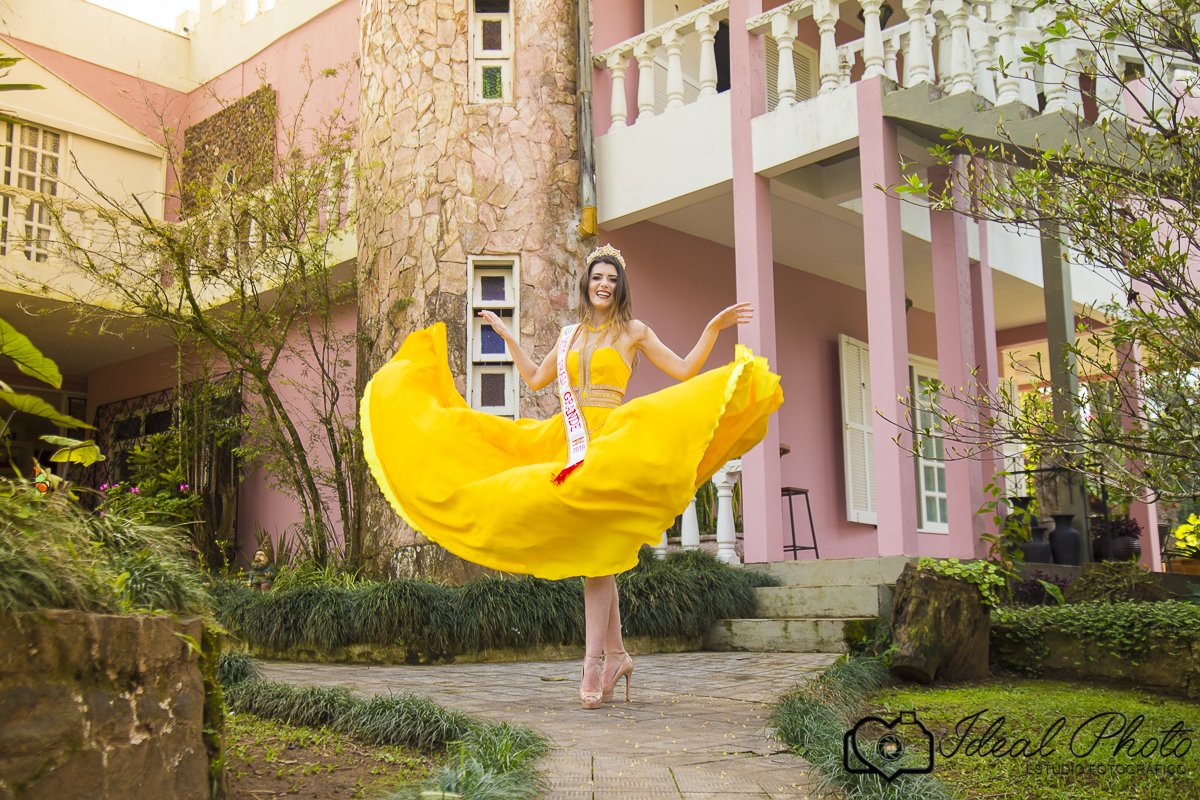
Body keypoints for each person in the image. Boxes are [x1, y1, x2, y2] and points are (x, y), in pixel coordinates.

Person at [360, 244, 783, 709]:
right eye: (597, 277)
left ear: (620, 288)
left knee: (595, 553)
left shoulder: (634, 332)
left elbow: (684, 370)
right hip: (566, 443)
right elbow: (535, 378)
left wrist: (711, 329)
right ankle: (616, 656)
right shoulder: (568, 335)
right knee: (594, 549)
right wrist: (508, 337)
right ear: (587, 283)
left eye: (612, 279)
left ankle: (591, 663)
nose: (604, 285)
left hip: (610, 443)